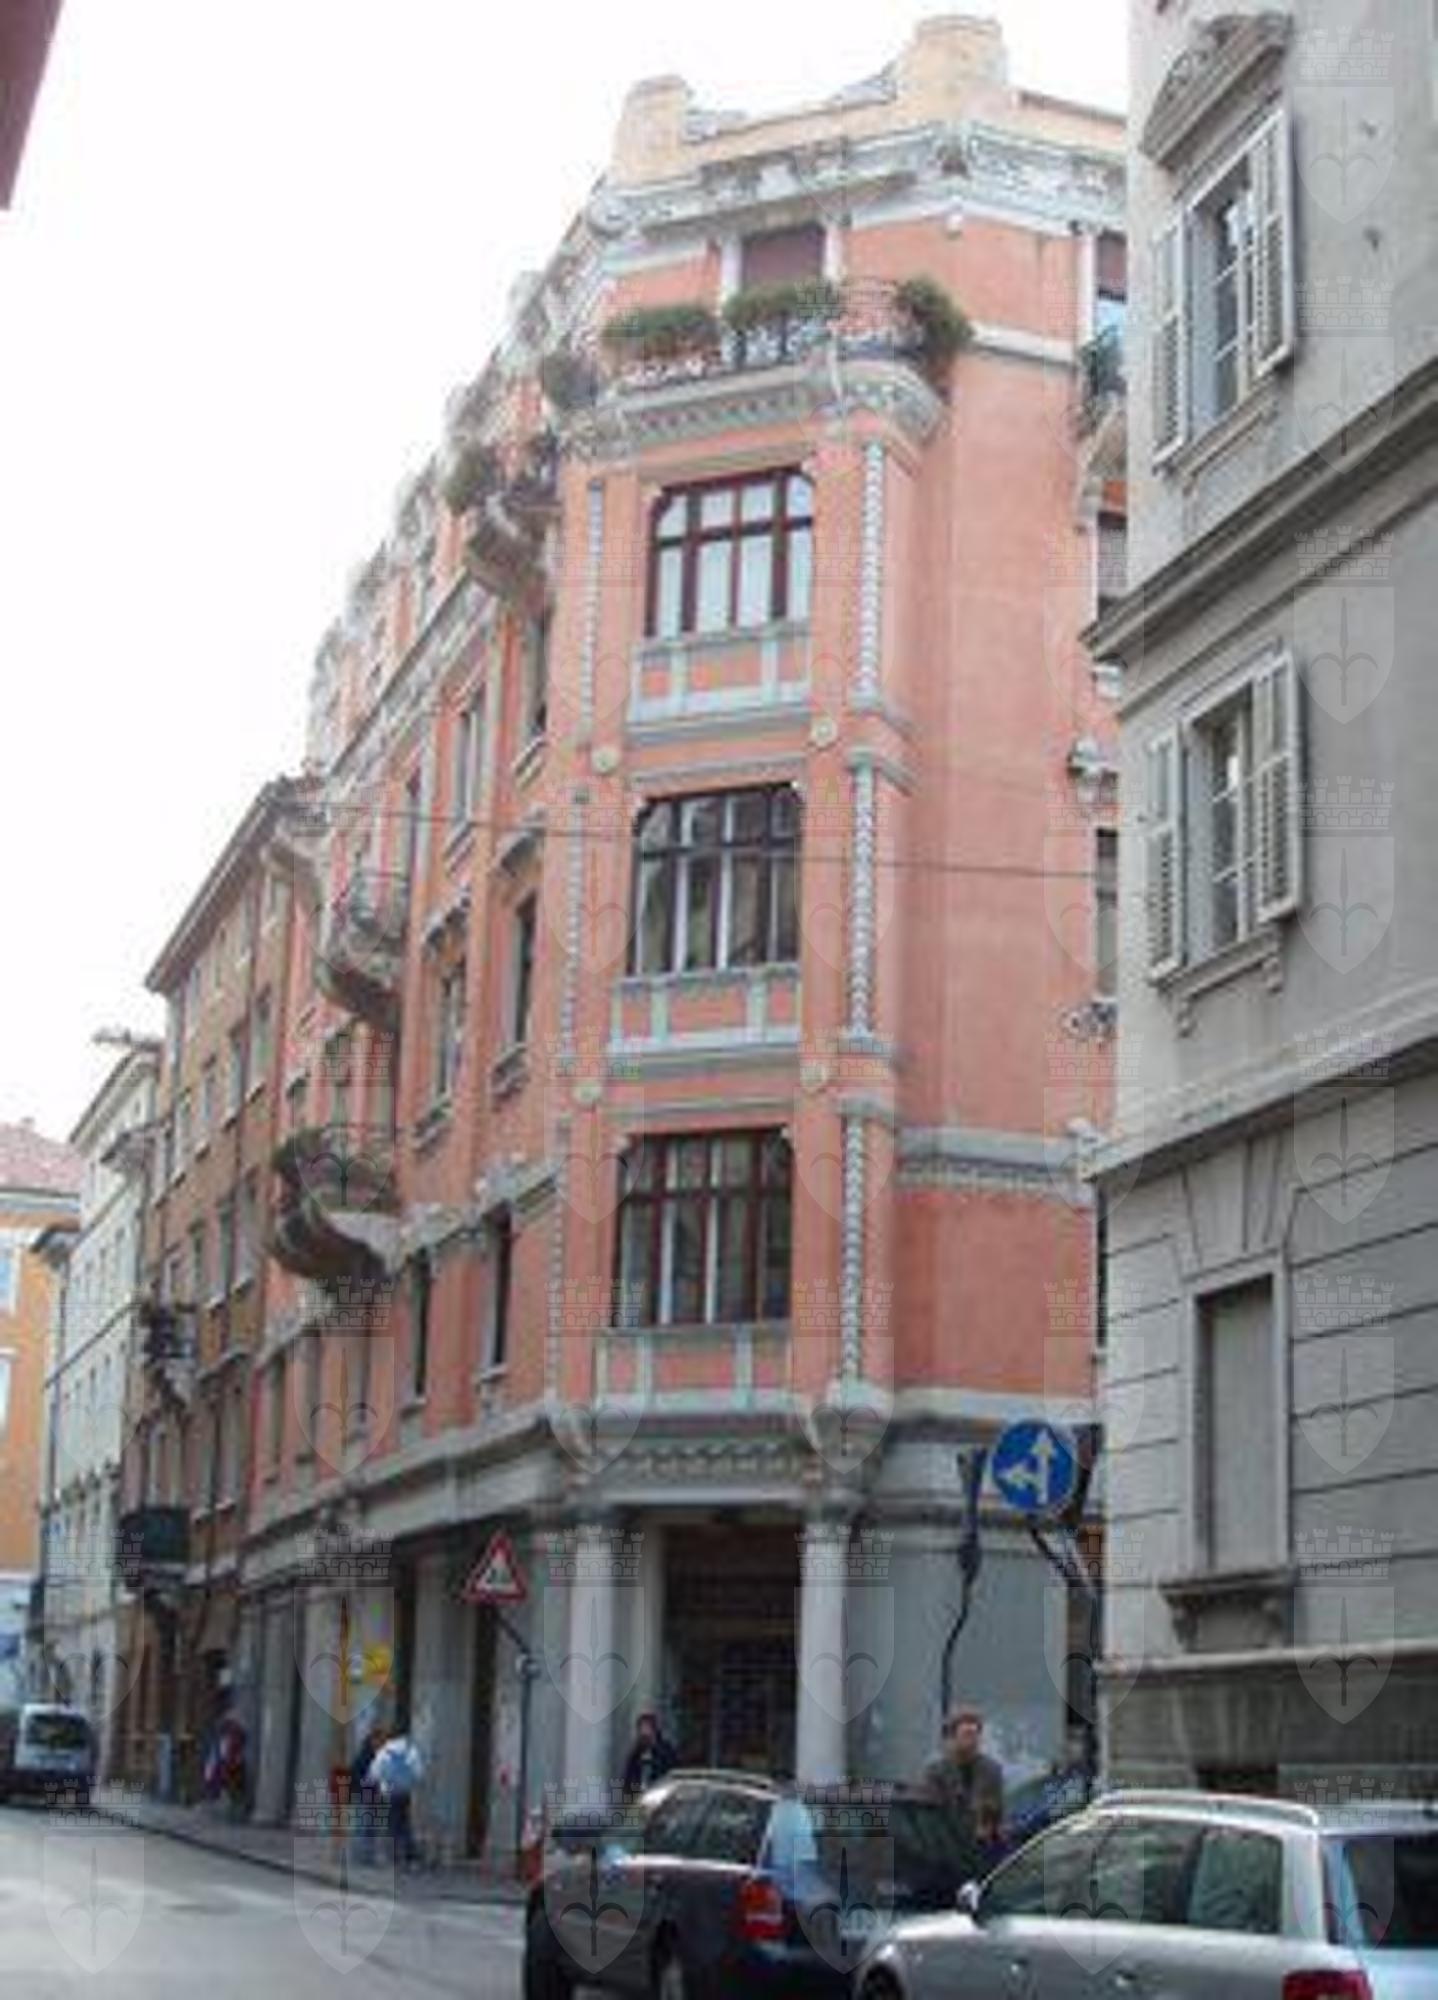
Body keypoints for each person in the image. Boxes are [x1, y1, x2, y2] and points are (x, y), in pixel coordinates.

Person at [922, 1705, 1005, 1848]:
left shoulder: (991, 1770)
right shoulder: (936, 1771)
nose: (973, 1740)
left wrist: (988, 1827)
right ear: (952, 1737)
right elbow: (931, 1814)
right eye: (967, 1734)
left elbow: (996, 1810)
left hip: (983, 1846)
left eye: (976, 1734)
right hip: (945, 1844)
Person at [368, 1726, 425, 1867]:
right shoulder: (409, 1750)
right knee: (404, 1822)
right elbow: (418, 1772)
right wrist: (411, 1784)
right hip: (405, 1792)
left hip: (390, 1792)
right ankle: (410, 1854)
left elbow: (375, 1773)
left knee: (392, 1824)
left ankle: (395, 1856)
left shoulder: (385, 1751)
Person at [349, 1723, 387, 1865]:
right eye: (380, 1740)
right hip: (363, 1795)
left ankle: (367, 1857)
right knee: (362, 1826)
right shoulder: (365, 1756)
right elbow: (355, 1774)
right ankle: (358, 1857)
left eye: (383, 1741)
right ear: (373, 1740)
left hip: (374, 1797)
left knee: (371, 1828)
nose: (382, 1744)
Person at [620, 1711, 676, 1795]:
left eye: (646, 1728)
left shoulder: (665, 1751)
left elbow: (669, 1771)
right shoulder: (636, 1753)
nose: (643, 1732)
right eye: (641, 1728)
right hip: (640, 1795)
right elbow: (629, 1777)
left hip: (660, 1793)